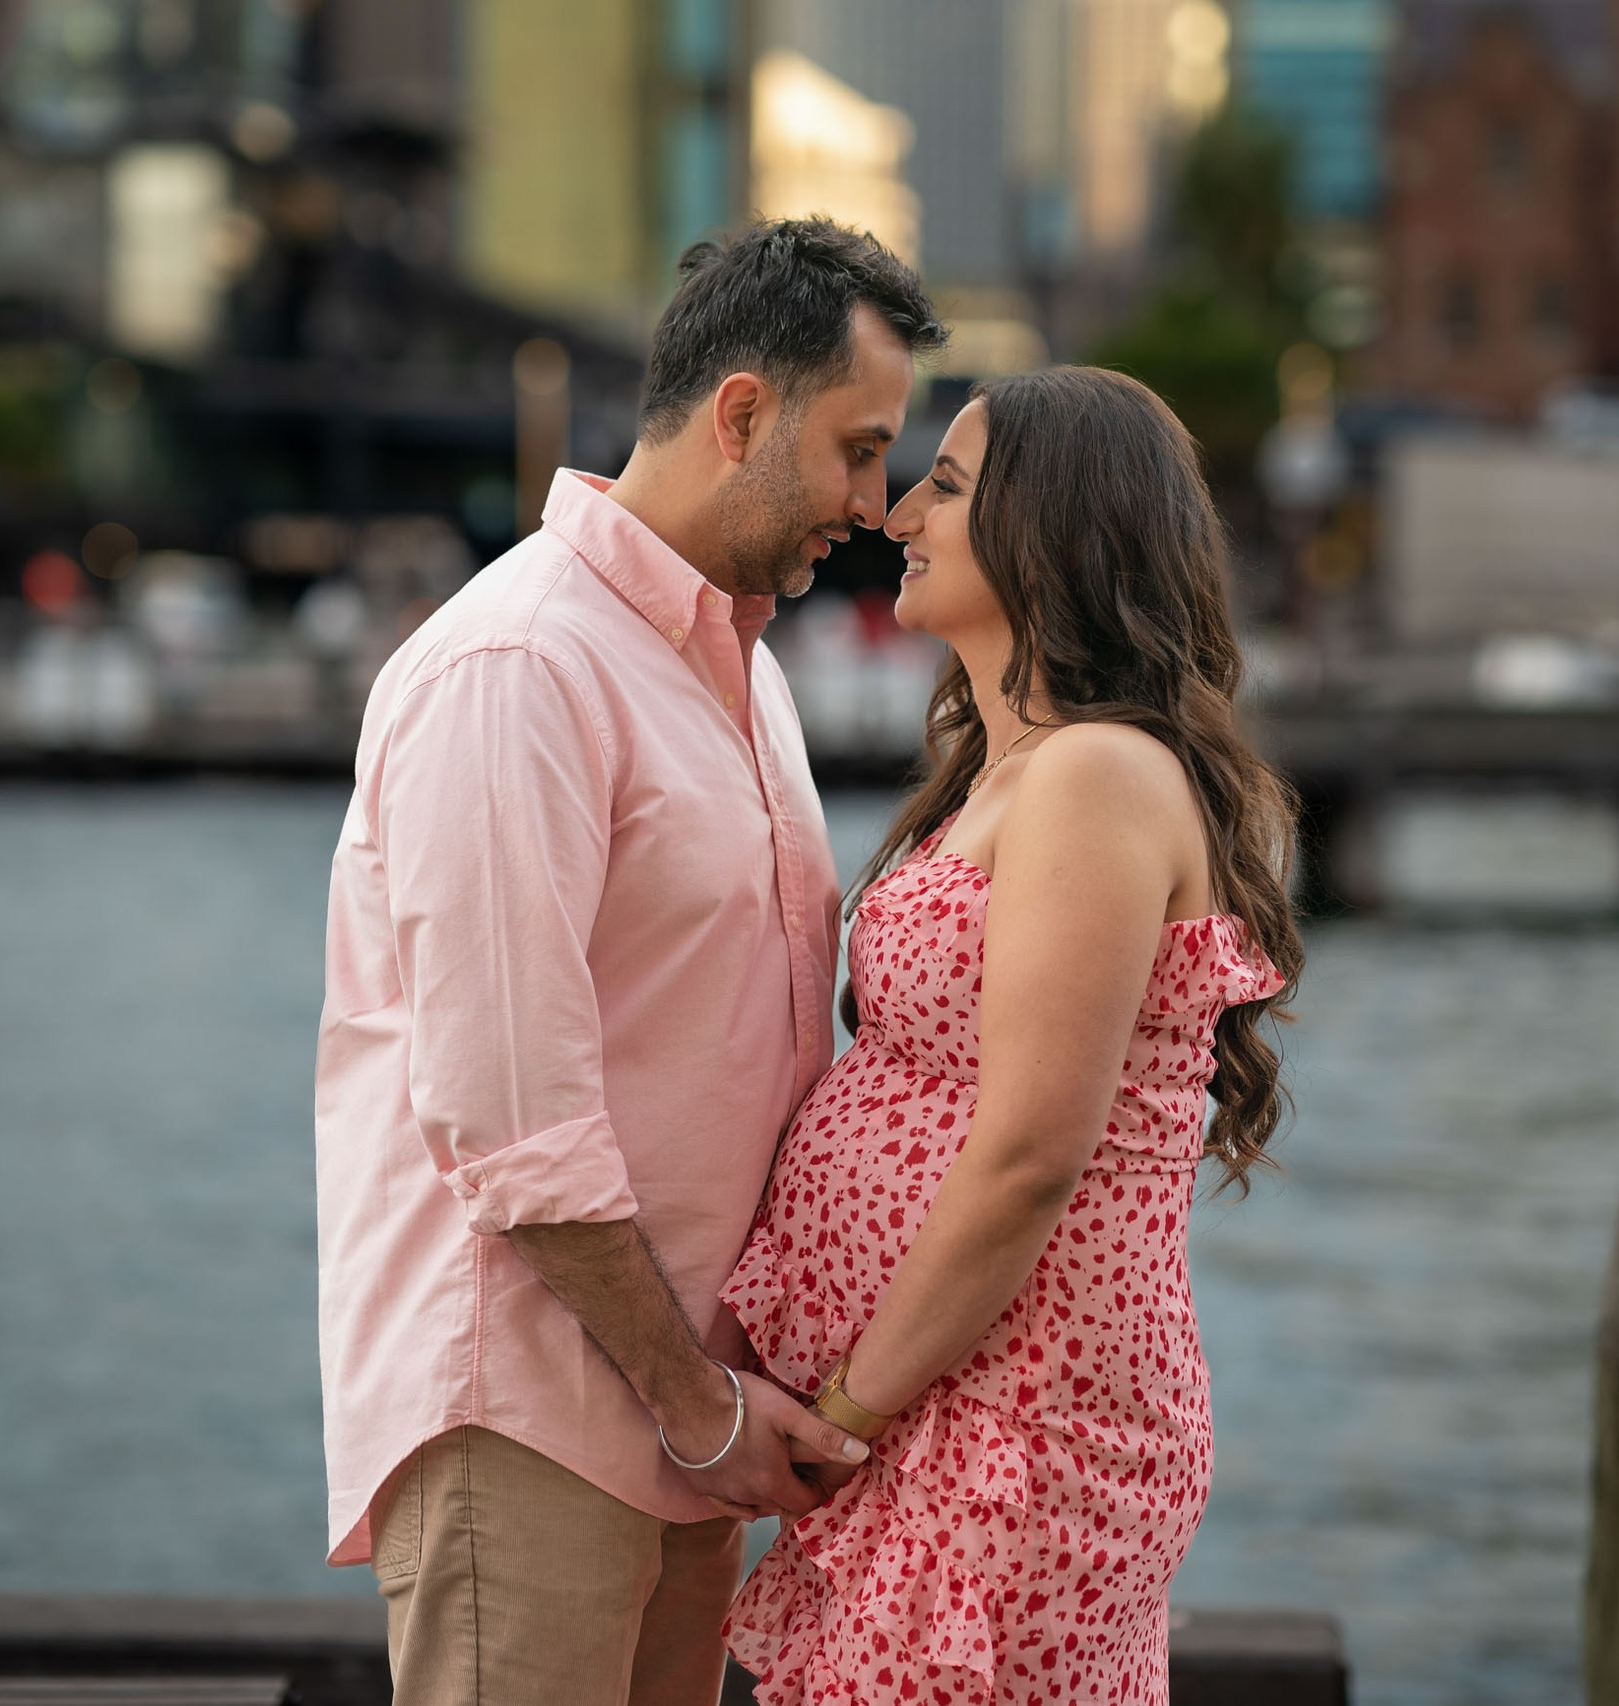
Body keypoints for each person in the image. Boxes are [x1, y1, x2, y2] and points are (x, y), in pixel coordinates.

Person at [312, 218, 944, 1706]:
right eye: (858, 450)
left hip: (692, 1413)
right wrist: (695, 1402)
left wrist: (727, 1403)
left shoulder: (741, 669)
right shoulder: (521, 666)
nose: (874, 502)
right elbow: (508, 1114)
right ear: (740, 414)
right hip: (540, 1406)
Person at [719, 366, 1307, 1704]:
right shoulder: (1010, 765)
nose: (897, 511)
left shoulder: (1098, 774)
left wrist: (852, 1412)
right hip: (947, 1403)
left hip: (1013, 1422)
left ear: (1053, 529)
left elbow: (1035, 1147)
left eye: (946, 483)